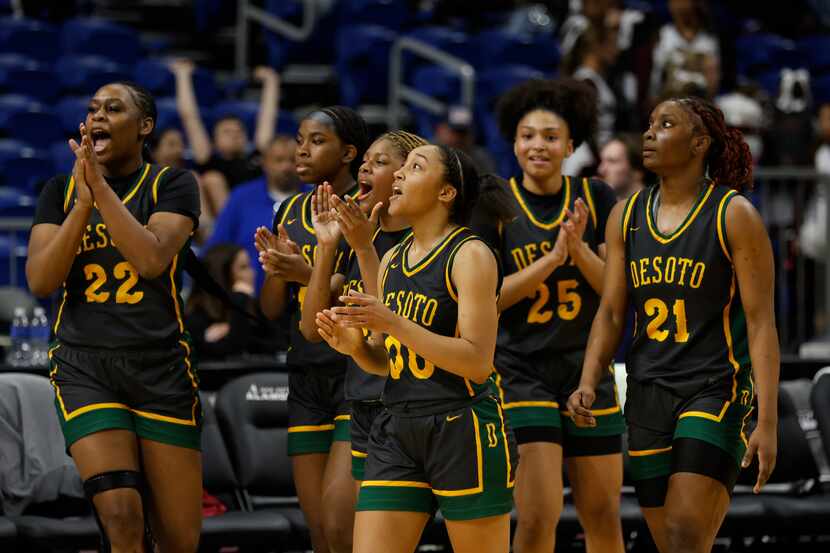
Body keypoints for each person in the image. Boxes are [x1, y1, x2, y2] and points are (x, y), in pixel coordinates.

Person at [568, 96, 779, 553]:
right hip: (647, 389)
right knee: (672, 542)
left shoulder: (733, 214)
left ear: (699, 143)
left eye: (665, 125)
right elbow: (610, 311)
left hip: (714, 386)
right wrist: (588, 379)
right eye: (648, 123)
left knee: (685, 532)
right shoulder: (625, 215)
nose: (649, 133)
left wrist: (767, 419)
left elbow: (762, 322)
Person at [27, 82, 202, 552]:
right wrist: (82, 203)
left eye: (113, 108)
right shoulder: (60, 192)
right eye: (92, 110)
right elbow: (41, 281)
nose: (98, 117)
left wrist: (99, 191)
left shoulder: (173, 184)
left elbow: (150, 262)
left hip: (160, 368)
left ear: (144, 127)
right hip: (85, 365)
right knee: (121, 513)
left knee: (179, 540)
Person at [315, 144, 517, 553]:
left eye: (415, 167)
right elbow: (387, 363)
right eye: (403, 167)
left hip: (462, 425)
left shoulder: (471, 254)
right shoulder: (391, 260)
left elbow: (477, 362)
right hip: (397, 427)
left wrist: (393, 322)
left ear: (446, 193)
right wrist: (353, 347)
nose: (401, 175)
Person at [481, 78, 625, 553]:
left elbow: (615, 293)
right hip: (521, 371)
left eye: (549, 136)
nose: (537, 145)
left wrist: (578, 250)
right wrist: (550, 261)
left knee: (603, 516)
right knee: (539, 516)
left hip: (587, 369)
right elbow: (489, 299)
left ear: (570, 144)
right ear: (513, 141)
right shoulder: (495, 201)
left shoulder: (597, 195)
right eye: (527, 135)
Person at [257, 106, 370, 553]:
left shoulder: (367, 211)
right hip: (305, 375)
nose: (300, 150)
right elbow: (269, 310)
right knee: (320, 532)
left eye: (316, 141)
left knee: (341, 521)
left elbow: (361, 293)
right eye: (300, 139)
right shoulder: (289, 208)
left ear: (348, 152)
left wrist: (306, 272)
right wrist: (277, 270)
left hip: (353, 373)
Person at [298, 130, 427, 489]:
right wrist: (326, 246)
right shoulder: (358, 236)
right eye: (365, 162)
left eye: (380, 163)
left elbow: (389, 322)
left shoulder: (421, 243)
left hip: (406, 401)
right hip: (360, 397)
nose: (365, 169)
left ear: (406, 176)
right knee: (342, 529)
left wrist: (362, 248)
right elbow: (310, 329)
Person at [170, 59, 280, 216]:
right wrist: (183, 76)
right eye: (227, 132)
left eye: (239, 131)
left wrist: (271, 81)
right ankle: (227, 231)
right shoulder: (208, 159)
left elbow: (268, 117)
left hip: (256, 217)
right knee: (212, 179)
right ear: (214, 141)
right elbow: (189, 117)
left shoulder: (256, 158)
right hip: (221, 223)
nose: (235, 134)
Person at [207, 135, 302, 291]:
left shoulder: (313, 198)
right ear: (265, 163)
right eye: (279, 160)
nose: (286, 167)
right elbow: (217, 248)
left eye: (292, 160)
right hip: (247, 297)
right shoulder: (242, 196)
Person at [185, 243, 279, 360]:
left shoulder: (253, 305)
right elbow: (233, 351)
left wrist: (231, 327)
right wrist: (238, 299)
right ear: (222, 275)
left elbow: (276, 345)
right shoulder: (197, 314)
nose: (252, 273)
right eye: (244, 267)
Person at [598, 133, 646, 200]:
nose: (601, 170)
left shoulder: (657, 208)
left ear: (637, 171)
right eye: (601, 161)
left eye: (612, 161)